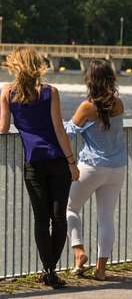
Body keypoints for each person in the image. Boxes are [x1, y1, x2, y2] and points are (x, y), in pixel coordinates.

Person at [0, 47, 80, 288]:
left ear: (15, 66)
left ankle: (48, 269)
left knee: (40, 219)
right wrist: (72, 163)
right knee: (59, 218)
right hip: (57, 161)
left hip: (33, 163)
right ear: (37, 66)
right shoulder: (50, 92)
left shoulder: (7, 93)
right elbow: (59, 130)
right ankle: (50, 270)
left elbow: (3, 128)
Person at [64, 60, 127, 281]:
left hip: (91, 167)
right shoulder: (118, 104)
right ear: (110, 79)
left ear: (90, 81)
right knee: (106, 218)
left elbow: (68, 133)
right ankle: (100, 270)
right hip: (117, 168)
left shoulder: (87, 106)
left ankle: (79, 252)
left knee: (69, 207)